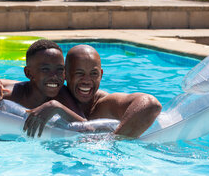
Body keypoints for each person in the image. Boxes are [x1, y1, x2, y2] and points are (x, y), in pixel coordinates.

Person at [24, 44, 162, 138]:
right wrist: (0, 84)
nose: (87, 80)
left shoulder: (105, 104)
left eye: (94, 74)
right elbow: (19, 86)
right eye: (79, 73)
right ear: (65, 75)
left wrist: (113, 142)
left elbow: (151, 104)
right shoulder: (54, 93)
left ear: (101, 74)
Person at [0, 39, 83, 140]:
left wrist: (56, 106)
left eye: (60, 70)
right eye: (45, 69)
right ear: (28, 73)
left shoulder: (62, 94)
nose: (54, 76)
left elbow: (87, 127)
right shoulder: (9, 94)